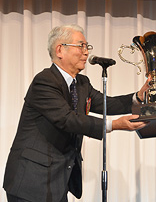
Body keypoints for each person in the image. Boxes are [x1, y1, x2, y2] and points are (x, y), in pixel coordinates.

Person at [3, 24, 148, 202]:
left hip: (57, 181)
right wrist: (113, 125)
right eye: (81, 46)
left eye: (87, 47)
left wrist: (138, 97)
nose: (86, 52)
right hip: (31, 181)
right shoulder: (44, 81)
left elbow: (106, 104)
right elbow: (67, 119)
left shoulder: (81, 83)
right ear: (59, 50)